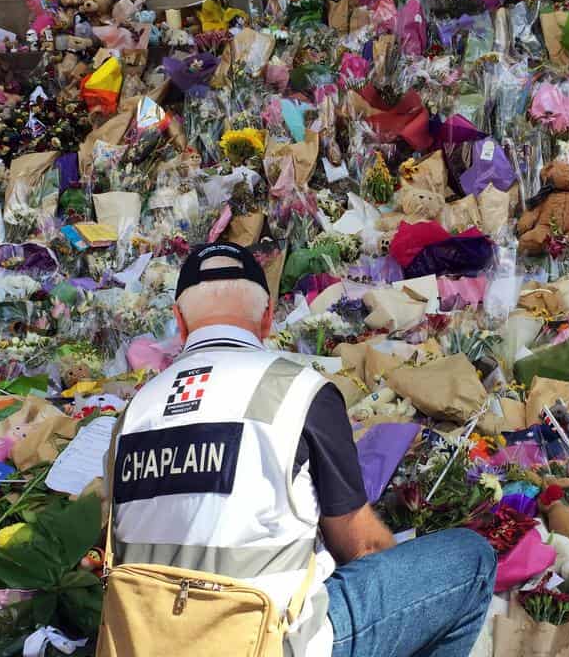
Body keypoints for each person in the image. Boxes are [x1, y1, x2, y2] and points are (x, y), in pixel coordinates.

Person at [96, 242, 496, 657]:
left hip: (146, 640)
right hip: (264, 642)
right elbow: (361, 548)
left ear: (179, 321)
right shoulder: (299, 390)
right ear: (268, 317)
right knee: (471, 560)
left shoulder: (134, 410)